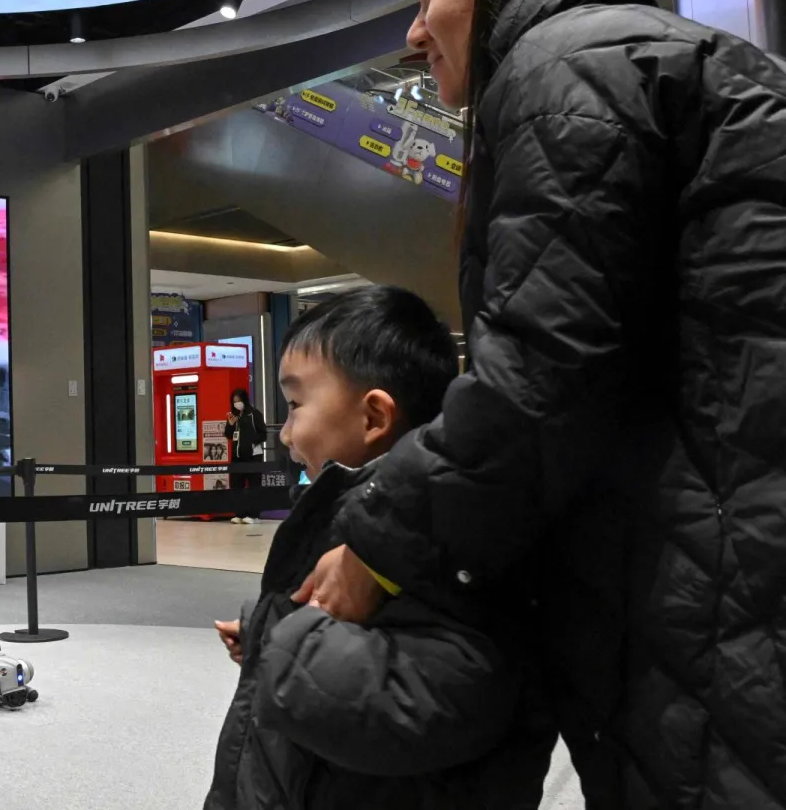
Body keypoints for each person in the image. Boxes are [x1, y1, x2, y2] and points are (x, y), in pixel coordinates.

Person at [294, 0, 786, 809]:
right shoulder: (653, 53)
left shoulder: (562, 68)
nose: (412, 27)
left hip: (710, 572)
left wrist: (377, 547)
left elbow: (541, 374)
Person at [206, 285, 553, 810]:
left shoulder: (447, 531)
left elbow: (434, 700)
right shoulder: (347, 513)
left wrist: (285, 643)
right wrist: (267, 628)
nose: (286, 433)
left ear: (373, 418)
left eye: (296, 404)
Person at [224, 387, 267, 523]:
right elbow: (229, 435)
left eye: (239, 401)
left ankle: (253, 515)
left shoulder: (254, 414)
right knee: (237, 486)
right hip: (237, 458)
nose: (237, 404)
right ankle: (239, 514)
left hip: (253, 456)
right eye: (234, 401)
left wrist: (251, 443)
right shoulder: (234, 416)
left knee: (254, 485)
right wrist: (230, 425)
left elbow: (263, 434)